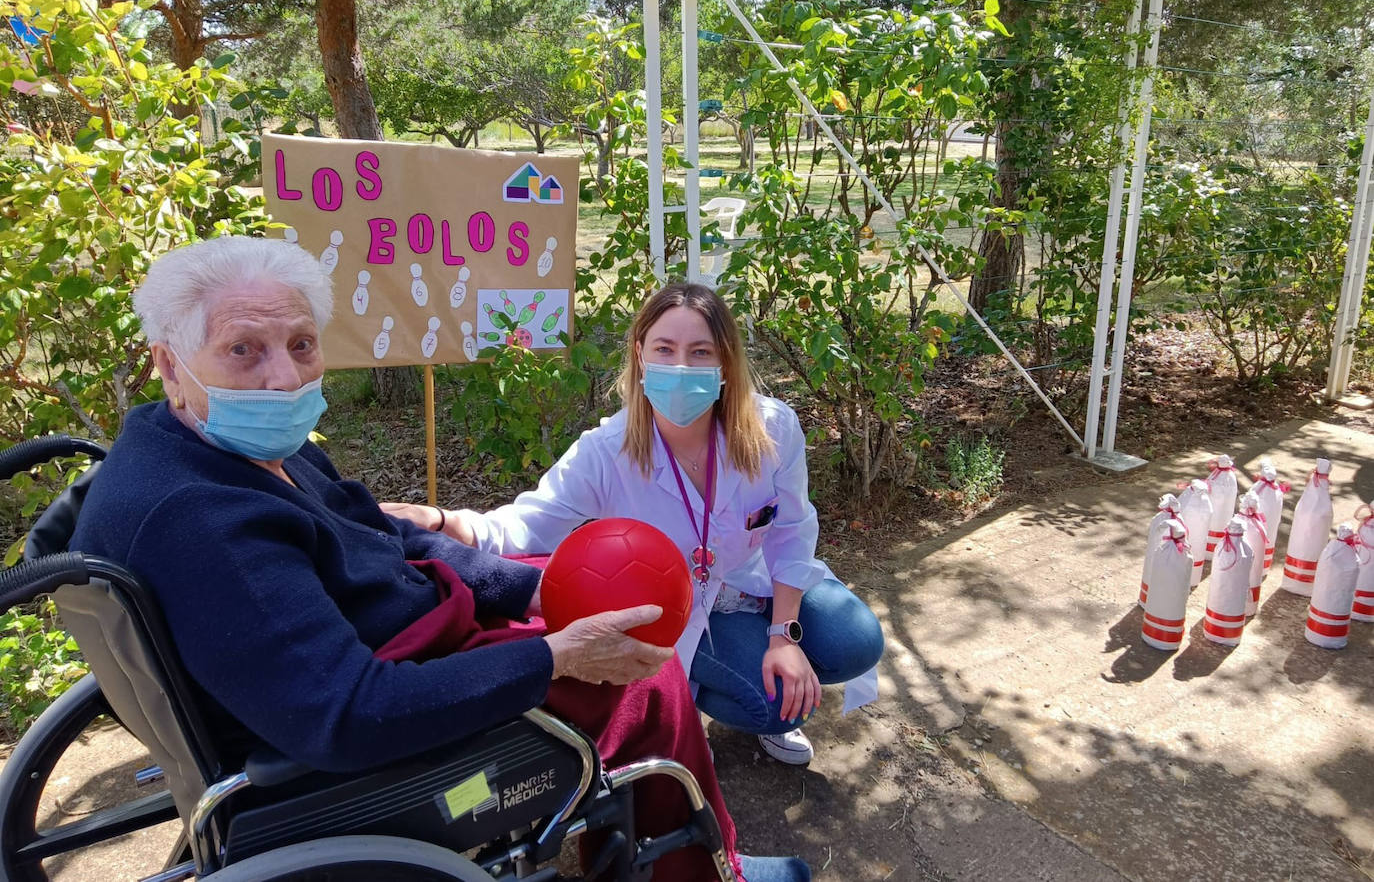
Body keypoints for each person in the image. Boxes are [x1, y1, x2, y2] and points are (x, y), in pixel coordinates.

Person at [68, 237, 807, 882]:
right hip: (386, 714)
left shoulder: (231, 449)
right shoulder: (202, 522)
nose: (284, 379)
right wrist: (554, 654)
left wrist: (529, 586)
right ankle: (693, 864)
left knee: (574, 585)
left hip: (408, 624)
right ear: (170, 365)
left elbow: (385, 534)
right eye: (243, 349)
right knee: (651, 680)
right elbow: (351, 712)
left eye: (301, 343)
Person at [388, 283, 884, 767]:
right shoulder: (608, 451)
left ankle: (756, 658)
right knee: (774, 705)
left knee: (857, 641)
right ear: (640, 355)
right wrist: (442, 520)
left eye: (701, 351)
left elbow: (791, 529)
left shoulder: (772, 428)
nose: (681, 367)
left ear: (726, 363)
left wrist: (784, 637)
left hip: (754, 579)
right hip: (680, 609)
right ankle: (697, 700)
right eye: (665, 349)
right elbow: (524, 524)